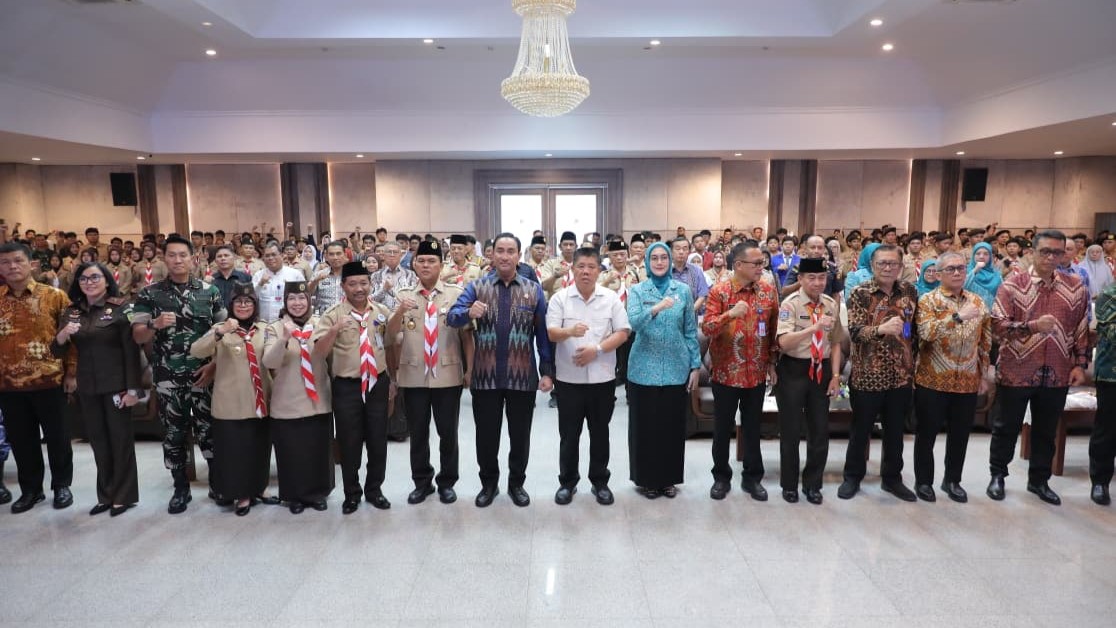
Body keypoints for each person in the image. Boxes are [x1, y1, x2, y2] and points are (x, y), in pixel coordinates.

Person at [447, 233, 554, 508]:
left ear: (519, 256)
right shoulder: (477, 287)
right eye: (500, 251)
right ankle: (489, 484)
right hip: (486, 377)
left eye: (510, 251)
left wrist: (547, 371)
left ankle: (516, 484)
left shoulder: (533, 290)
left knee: (520, 436)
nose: (505, 256)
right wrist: (468, 312)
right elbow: (452, 317)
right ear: (492, 255)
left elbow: (542, 335)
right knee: (486, 436)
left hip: (523, 377)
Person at [988, 230, 1089, 506]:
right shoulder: (1012, 285)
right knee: (1006, 428)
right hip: (1016, 369)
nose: (1051, 257)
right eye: (1045, 251)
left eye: (1057, 252)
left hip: (1057, 369)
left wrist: (1080, 364)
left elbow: (1081, 328)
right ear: (1032, 252)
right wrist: (1033, 327)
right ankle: (998, 476)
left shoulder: (1076, 287)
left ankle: (1039, 480)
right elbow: (997, 327)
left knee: (1046, 431)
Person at [131, 235, 226, 514]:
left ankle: (217, 483)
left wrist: (214, 366)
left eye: (183, 255)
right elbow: (137, 335)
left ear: (193, 258)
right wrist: (154, 324)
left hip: (204, 374)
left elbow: (225, 333)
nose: (177, 260)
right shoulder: (149, 294)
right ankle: (180, 488)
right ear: (164, 258)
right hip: (168, 376)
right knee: (174, 433)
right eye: (171, 255)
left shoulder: (210, 291)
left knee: (209, 430)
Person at [389, 240, 474, 506]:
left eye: (432, 261)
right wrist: (399, 312)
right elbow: (390, 335)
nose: (426, 265)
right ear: (414, 264)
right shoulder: (403, 296)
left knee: (448, 434)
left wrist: (470, 370)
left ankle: (447, 482)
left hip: (447, 374)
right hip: (414, 375)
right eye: (422, 261)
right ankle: (422, 482)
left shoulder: (456, 294)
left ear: (441, 264)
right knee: (418, 434)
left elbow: (467, 336)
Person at [53, 262, 142, 516]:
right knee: (99, 442)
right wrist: (62, 335)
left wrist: (133, 390)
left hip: (117, 385)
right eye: (83, 278)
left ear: (106, 280)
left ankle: (123, 496)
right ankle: (106, 495)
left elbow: (131, 351)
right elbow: (57, 351)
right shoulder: (72, 311)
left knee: (120, 441)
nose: (89, 282)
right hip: (88, 386)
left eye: (95, 277)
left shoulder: (121, 307)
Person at [546, 247, 630, 506]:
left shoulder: (610, 298)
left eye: (591, 267)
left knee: (600, 433)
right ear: (572, 269)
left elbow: (623, 332)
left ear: (599, 270)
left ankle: (600, 482)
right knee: (569, 435)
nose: (585, 271)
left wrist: (598, 349)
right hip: (568, 380)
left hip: (602, 379)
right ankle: (567, 482)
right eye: (581, 266)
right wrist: (569, 331)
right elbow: (551, 332)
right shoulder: (560, 298)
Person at [312, 261, 394, 514]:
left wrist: (393, 380)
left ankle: (375, 490)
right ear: (343, 286)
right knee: (349, 442)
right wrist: (334, 330)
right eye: (353, 284)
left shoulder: (381, 311)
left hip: (377, 383)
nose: (359, 289)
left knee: (378, 440)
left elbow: (390, 344)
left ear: (370, 284)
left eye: (363, 283)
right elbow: (318, 352)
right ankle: (351, 493)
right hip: (347, 386)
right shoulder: (332, 314)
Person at [839, 244, 919, 502]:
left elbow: (913, 332)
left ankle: (892, 479)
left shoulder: (909, 291)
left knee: (895, 432)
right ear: (872, 266)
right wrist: (881, 329)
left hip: (901, 376)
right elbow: (854, 332)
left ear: (901, 266)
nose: (887, 268)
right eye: (882, 263)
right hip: (868, 376)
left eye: (893, 263)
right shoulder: (860, 293)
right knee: (860, 431)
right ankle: (852, 477)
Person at [0, 242, 76, 513]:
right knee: (22, 441)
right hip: (8, 385)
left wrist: (71, 372)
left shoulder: (55, 296)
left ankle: (61, 486)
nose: (12, 266)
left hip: (49, 380)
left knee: (58, 437)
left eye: (18, 260)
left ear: (31, 264)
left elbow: (72, 339)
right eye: (5, 262)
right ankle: (31, 490)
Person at [190, 284, 277, 516]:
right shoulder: (220, 328)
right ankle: (242, 494)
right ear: (231, 305)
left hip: (260, 399)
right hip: (231, 402)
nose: (243, 306)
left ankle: (260, 488)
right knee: (235, 451)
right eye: (238, 302)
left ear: (255, 305)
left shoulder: (264, 329)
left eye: (248, 302)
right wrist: (221, 332)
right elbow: (196, 350)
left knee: (260, 448)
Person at [701, 241, 779, 501]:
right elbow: (707, 328)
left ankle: (752, 478)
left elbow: (773, 331)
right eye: (756, 263)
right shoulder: (720, 292)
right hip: (726, 373)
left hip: (756, 373)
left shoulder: (767, 291)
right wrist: (730, 315)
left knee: (753, 428)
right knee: (722, 429)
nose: (760, 268)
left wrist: (771, 363)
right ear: (738, 265)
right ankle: (721, 478)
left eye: (762, 263)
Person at [913, 252, 992, 503]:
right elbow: (926, 333)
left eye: (961, 268)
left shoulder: (978, 302)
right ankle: (923, 481)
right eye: (950, 269)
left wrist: (983, 374)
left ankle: (952, 480)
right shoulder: (928, 300)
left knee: (960, 435)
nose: (957, 273)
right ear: (938, 274)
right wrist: (957, 317)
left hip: (967, 380)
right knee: (926, 435)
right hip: (932, 380)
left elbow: (985, 342)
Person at [626, 242, 702, 499]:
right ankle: (647, 480)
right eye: (654, 258)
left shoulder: (683, 291)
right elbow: (634, 323)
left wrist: (695, 365)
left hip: (675, 367)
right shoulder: (637, 290)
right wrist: (656, 308)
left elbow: (690, 330)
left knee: (671, 427)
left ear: (670, 262)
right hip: (643, 369)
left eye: (663, 258)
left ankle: (668, 479)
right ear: (648, 263)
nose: (659, 262)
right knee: (645, 427)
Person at [775, 257, 845, 504]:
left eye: (822, 278)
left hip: (821, 370)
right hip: (793, 369)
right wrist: (813, 329)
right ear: (801, 279)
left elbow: (835, 343)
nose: (817, 283)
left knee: (819, 430)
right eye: (812, 278)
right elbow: (783, 343)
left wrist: (835, 376)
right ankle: (789, 485)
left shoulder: (830, 304)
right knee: (791, 431)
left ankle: (813, 484)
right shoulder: (790, 304)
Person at [261, 281, 333, 514]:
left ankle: (317, 493)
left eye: (302, 298)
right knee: (291, 452)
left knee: (317, 449)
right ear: (285, 302)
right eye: (292, 298)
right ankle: (294, 496)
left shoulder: (320, 324)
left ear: (309, 301)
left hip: (317, 398)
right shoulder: (275, 328)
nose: (297, 303)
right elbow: (269, 362)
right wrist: (284, 338)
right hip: (287, 400)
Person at [1091, 281, 1116, 505]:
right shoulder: (1109, 294)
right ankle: (1100, 481)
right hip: (1111, 374)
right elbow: (1111, 332)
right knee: (1107, 430)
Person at [253, 242, 305, 323]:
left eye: (273, 254)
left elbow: (304, 298)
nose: (270, 258)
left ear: (282, 255)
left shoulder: (294, 274)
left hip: (288, 323)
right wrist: (260, 284)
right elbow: (251, 298)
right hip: (264, 323)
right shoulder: (258, 275)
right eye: (267, 256)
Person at [370, 240, 417, 311]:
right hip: (382, 314)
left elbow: (415, 300)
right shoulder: (376, 276)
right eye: (389, 252)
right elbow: (371, 301)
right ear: (384, 255)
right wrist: (384, 289)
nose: (392, 255)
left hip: (405, 314)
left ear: (400, 255)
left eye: (395, 252)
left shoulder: (410, 274)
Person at [668, 236, 710, 313]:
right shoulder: (665, 271)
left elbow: (702, 295)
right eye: (677, 249)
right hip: (668, 315)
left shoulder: (697, 271)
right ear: (671, 252)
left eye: (685, 249)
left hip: (691, 315)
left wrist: (689, 312)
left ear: (689, 251)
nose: (681, 252)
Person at [963, 242, 1002, 313]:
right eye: (978, 254)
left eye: (986, 254)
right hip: (970, 313)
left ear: (990, 257)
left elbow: (1002, 294)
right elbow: (962, 288)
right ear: (973, 255)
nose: (981, 256)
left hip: (992, 313)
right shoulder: (965, 271)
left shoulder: (996, 274)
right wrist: (975, 270)